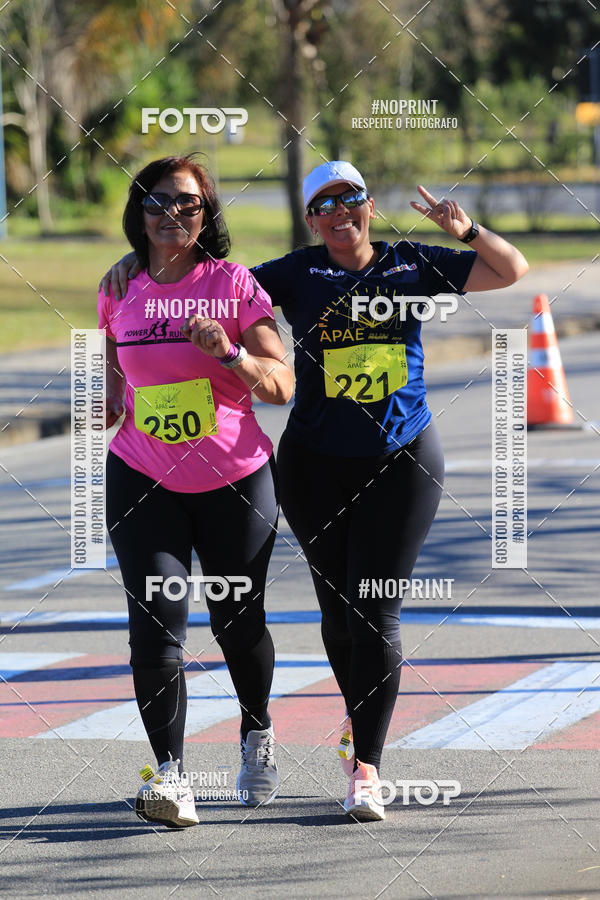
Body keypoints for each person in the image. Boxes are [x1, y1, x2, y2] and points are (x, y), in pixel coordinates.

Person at [101, 160, 528, 822]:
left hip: (394, 456)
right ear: (310, 219)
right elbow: (171, 309)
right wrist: (129, 275)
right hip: (306, 464)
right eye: (324, 205)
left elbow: (512, 271)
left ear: (369, 203)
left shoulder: (408, 264)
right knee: (328, 613)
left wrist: (467, 228)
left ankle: (363, 766)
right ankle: (181, 771)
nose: (340, 212)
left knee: (370, 609)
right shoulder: (290, 273)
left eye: (351, 199)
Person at [99, 155, 293, 828]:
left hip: (233, 479)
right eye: (158, 202)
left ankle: (258, 731)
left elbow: (281, 382)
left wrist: (230, 355)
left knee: (238, 623)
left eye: (187, 205)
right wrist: (108, 400)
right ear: (139, 210)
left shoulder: (233, 285)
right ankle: (171, 777)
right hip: (142, 476)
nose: (171, 215)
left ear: (205, 217)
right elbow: (113, 365)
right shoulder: (119, 285)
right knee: (156, 626)